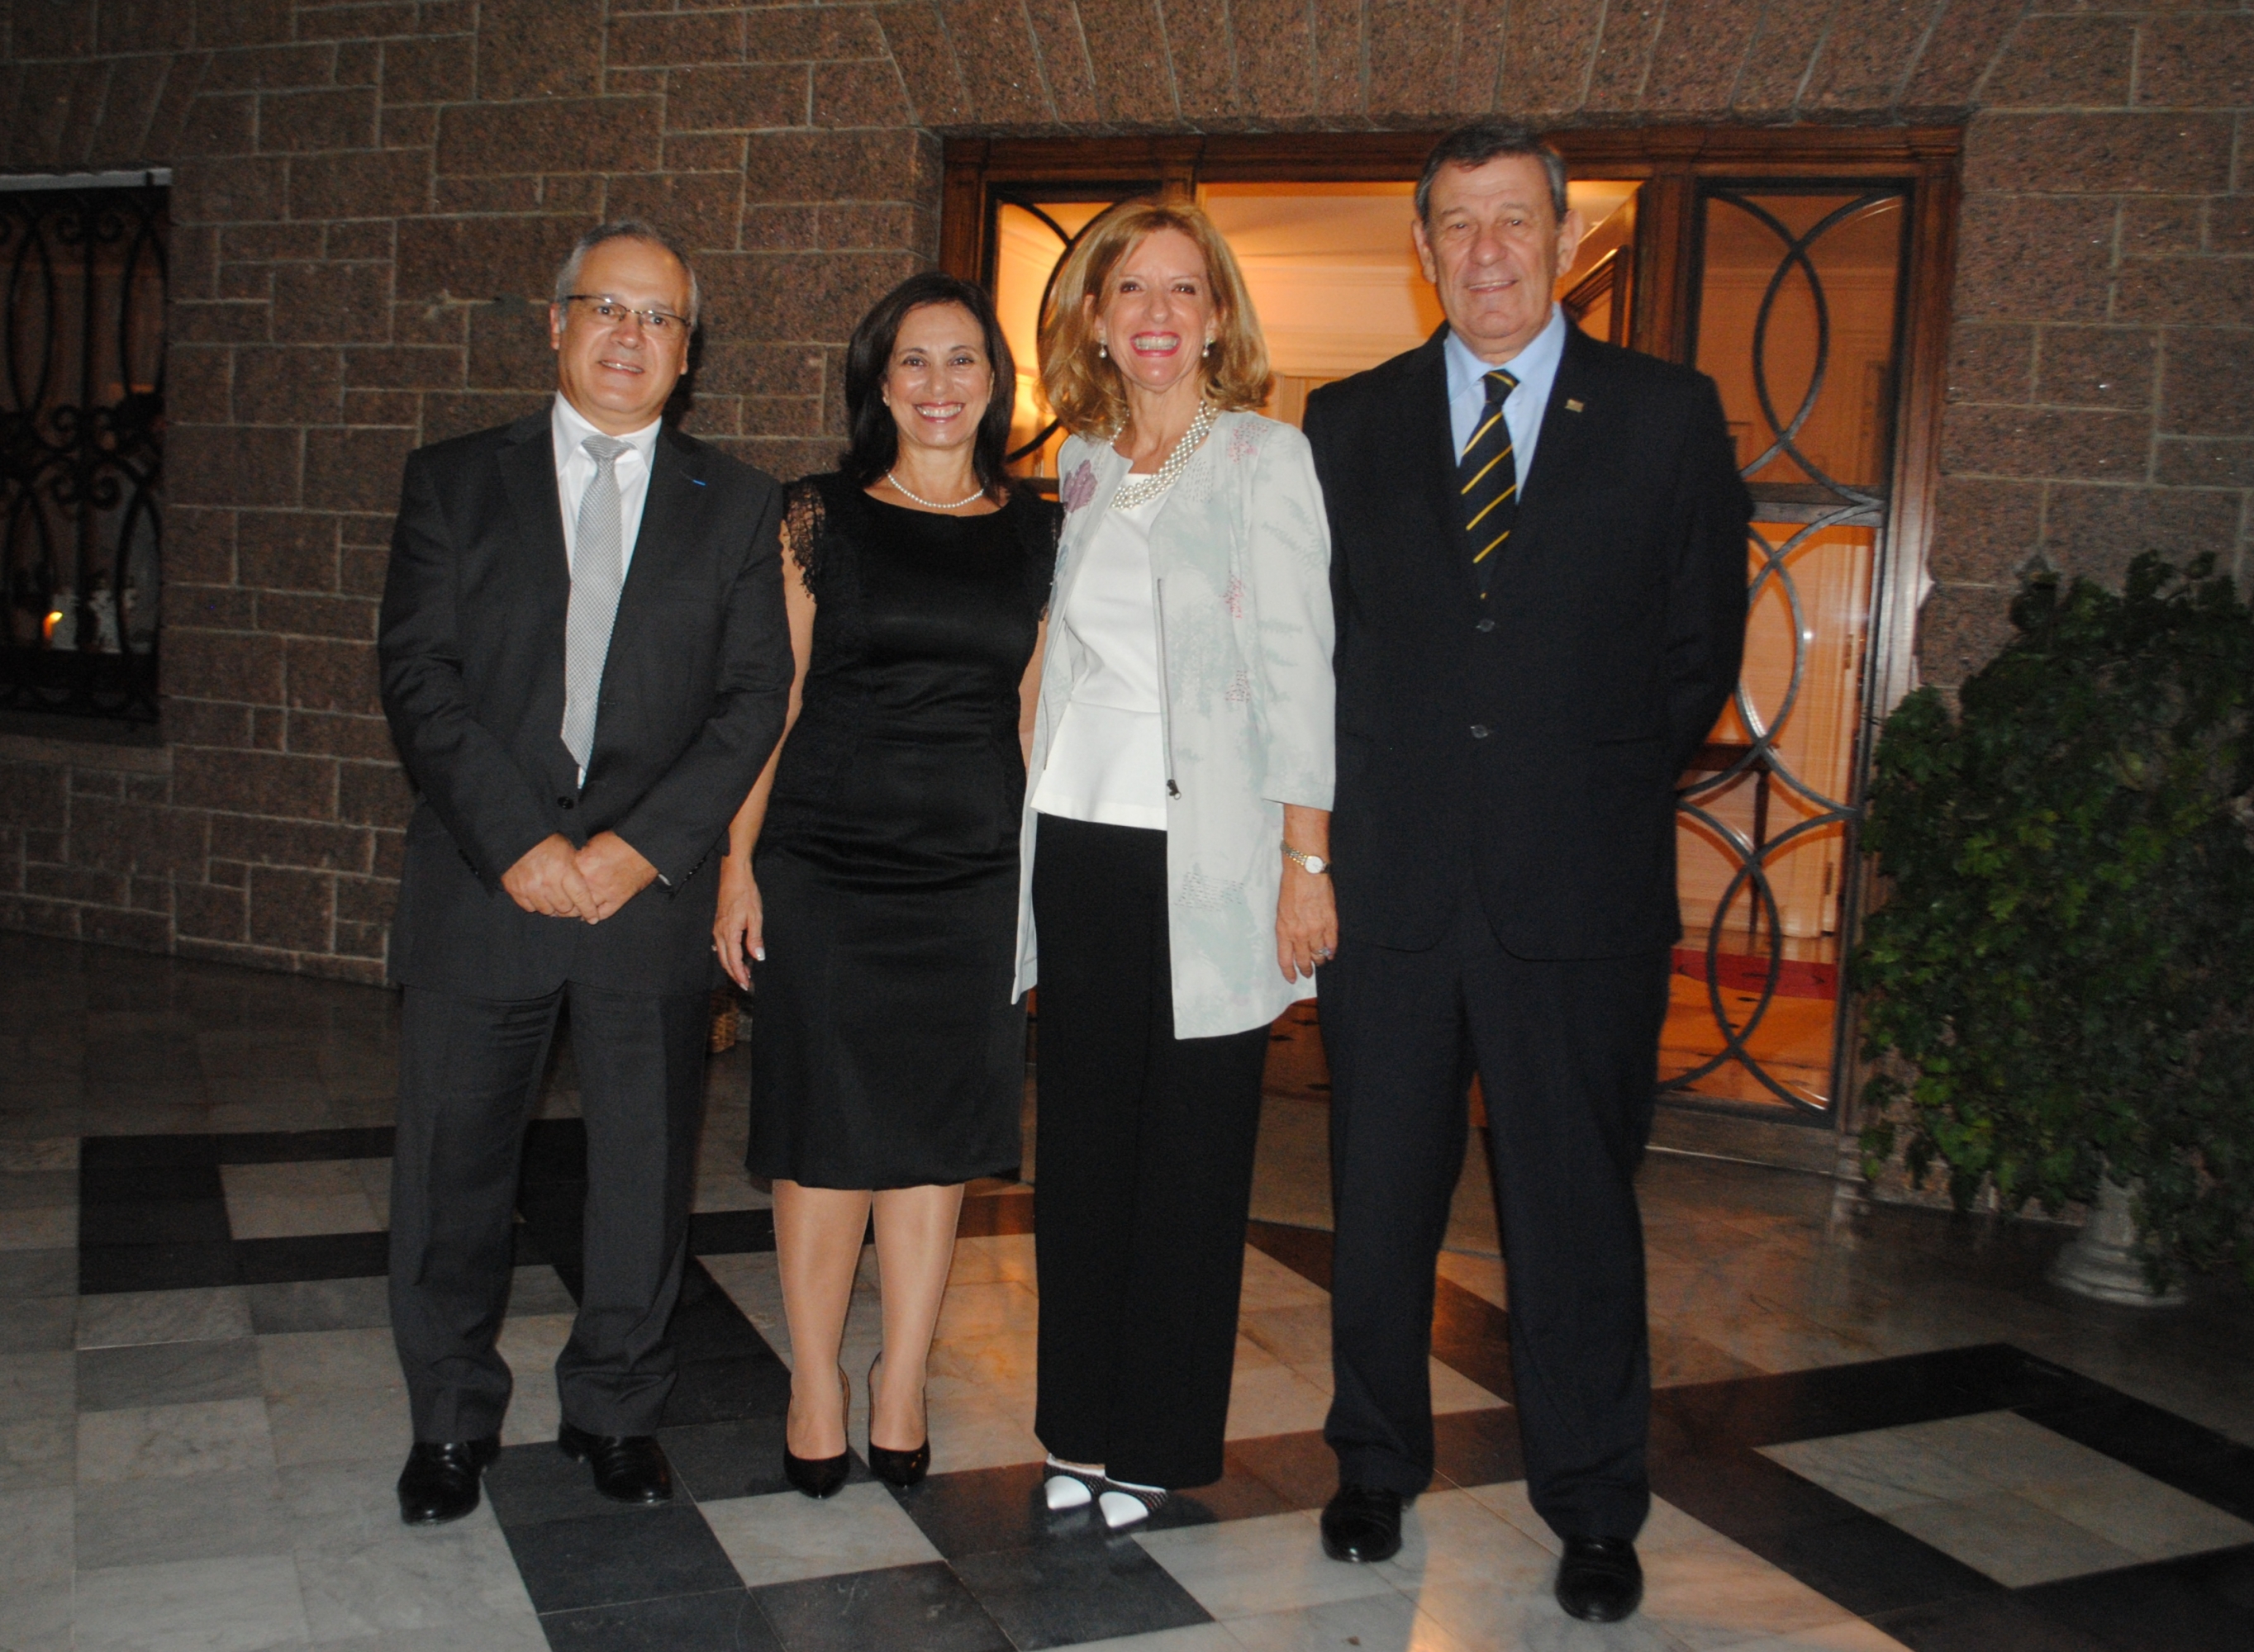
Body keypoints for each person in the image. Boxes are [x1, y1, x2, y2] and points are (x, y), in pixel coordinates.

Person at [1305, 125, 1750, 1621]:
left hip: (1580, 894)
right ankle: (1372, 1461)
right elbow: (1323, 649)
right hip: (1395, 888)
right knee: (1377, 1198)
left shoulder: (1669, 415)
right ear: (1420, 251)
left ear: (1561, 237)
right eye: (1456, 225)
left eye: (1513, 221)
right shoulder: (1345, 424)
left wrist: (1580, 785)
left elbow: (1701, 648)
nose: (1486, 251)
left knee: (1574, 1208)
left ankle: (1595, 1502)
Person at [378, 221, 791, 1525]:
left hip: (642, 904)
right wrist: (522, 844)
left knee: (641, 1183)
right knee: (450, 1179)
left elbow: (751, 697)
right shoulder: (452, 481)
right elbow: (420, 680)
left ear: (688, 352)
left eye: (660, 318)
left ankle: (615, 1410)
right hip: (480, 884)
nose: (630, 336)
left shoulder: (738, 505)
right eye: (606, 309)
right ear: (553, 325)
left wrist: (635, 849)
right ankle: (449, 1423)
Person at [1019, 198, 1336, 1531]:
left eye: (1182, 291)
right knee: (1082, 1151)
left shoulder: (1267, 459)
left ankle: (1151, 1437)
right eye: (1128, 288)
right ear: (1095, 314)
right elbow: (1061, 653)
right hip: (1080, 846)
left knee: (1191, 1161)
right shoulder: (1085, 462)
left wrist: (1304, 858)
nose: (1155, 314)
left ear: (1218, 318)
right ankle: (1076, 1424)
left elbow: (1300, 671)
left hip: (1204, 861)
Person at [715, 273, 1058, 1498]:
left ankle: (901, 1376)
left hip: (970, 875)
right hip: (826, 867)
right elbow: (777, 702)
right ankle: (816, 1377)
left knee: (931, 1144)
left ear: (995, 382)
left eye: (961, 361)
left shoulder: (1039, 530)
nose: (937, 387)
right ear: (877, 382)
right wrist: (736, 866)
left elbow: (1031, 719)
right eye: (911, 363)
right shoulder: (818, 517)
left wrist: (1036, 894)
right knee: (822, 1137)